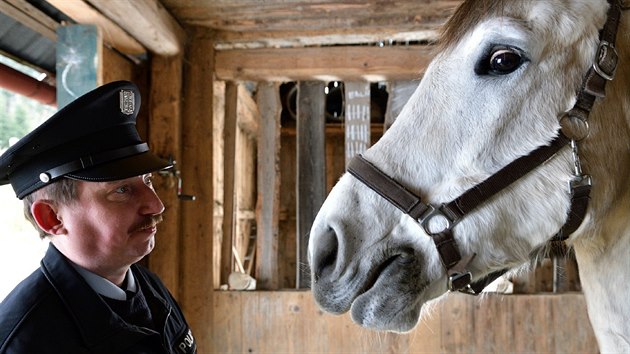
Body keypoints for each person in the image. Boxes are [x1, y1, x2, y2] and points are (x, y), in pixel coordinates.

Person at [0, 81, 196, 353]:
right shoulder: (27, 341)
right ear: (51, 217)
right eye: (122, 190)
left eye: (148, 181)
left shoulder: (148, 286)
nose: (156, 205)